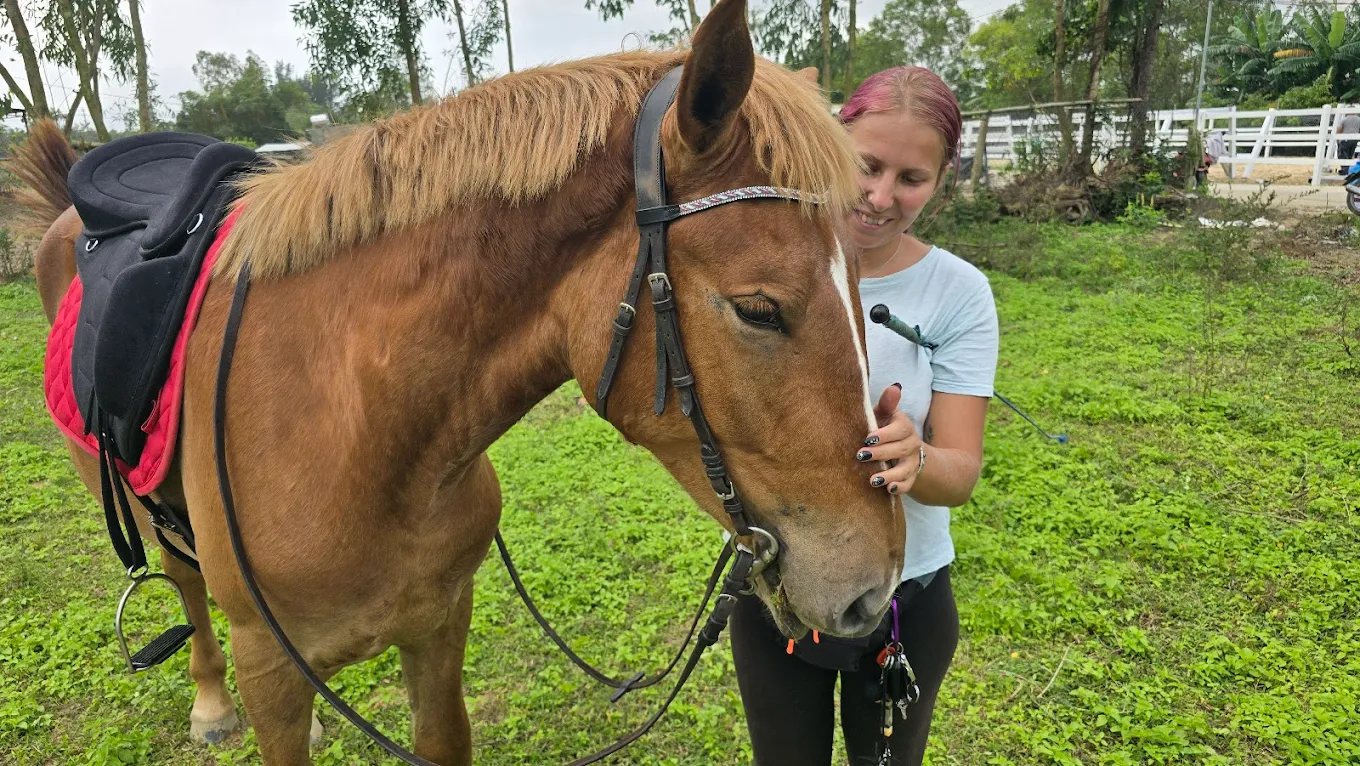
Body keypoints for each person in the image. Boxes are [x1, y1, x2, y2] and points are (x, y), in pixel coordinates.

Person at [729, 67, 999, 766]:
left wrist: (917, 459)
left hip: (903, 600)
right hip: (779, 587)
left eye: (912, 178)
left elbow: (961, 472)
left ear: (940, 181)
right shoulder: (769, 263)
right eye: (866, 165)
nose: (880, 197)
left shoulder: (959, 294)